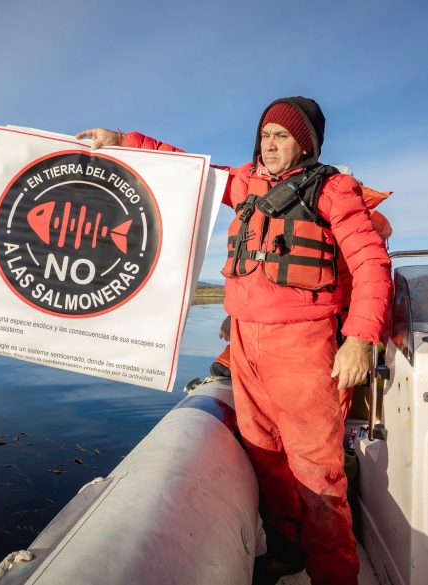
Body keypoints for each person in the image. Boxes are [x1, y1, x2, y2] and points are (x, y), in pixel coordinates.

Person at [76, 96, 392, 585]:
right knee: (265, 457)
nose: (270, 144)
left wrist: (359, 339)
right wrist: (121, 142)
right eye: (266, 133)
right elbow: (188, 170)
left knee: (317, 474)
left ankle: (336, 575)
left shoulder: (333, 188)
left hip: (304, 348)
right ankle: (289, 552)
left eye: (282, 136)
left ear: (304, 143)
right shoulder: (244, 182)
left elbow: (372, 264)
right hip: (245, 347)